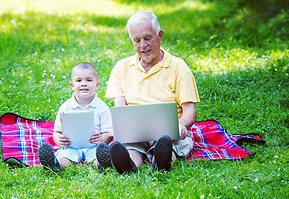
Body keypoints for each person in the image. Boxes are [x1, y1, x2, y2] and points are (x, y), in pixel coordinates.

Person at [96, 11, 200, 174]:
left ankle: (161, 162)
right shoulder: (121, 68)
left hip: (169, 133)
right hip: (135, 131)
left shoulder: (179, 67)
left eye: (147, 38)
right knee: (129, 146)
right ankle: (129, 166)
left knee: (168, 144)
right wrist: (119, 128)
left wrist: (180, 125)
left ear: (160, 36)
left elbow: (190, 112)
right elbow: (121, 110)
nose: (142, 45)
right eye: (137, 41)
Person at [38, 62, 113, 171]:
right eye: (79, 81)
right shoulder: (65, 107)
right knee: (65, 157)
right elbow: (56, 132)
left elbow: (109, 133)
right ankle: (54, 164)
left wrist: (101, 139)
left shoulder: (102, 107)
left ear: (97, 85)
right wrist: (59, 140)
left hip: (94, 147)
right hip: (71, 146)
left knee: (97, 156)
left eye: (89, 80)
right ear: (72, 86)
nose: (83, 84)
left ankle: (103, 165)